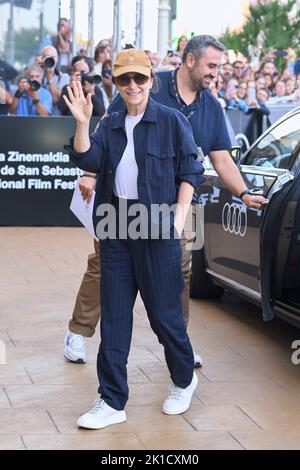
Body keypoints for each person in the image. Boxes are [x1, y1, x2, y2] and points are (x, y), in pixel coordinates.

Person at [64, 35, 268, 367]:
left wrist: (243, 193)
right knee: (103, 266)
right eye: (211, 65)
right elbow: (109, 136)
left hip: (178, 203)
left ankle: (178, 344)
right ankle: (79, 330)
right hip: (123, 205)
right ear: (190, 61)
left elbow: (221, 160)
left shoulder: (211, 106)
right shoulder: (142, 81)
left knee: (180, 272)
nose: (216, 73)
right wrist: (90, 173)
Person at [64, 48, 204, 429]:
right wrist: (82, 123)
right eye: (124, 79)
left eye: (138, 78)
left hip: (157, 226)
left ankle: (183, 378)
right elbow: (88, 160)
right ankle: (111, 399)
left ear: (150, 80)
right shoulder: (109, 122)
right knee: (114, 316)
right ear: (116, 83)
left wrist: (177, 219)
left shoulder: (172, 121)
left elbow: (192, 170)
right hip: (116, 227)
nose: (131, 86)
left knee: (165, 316)